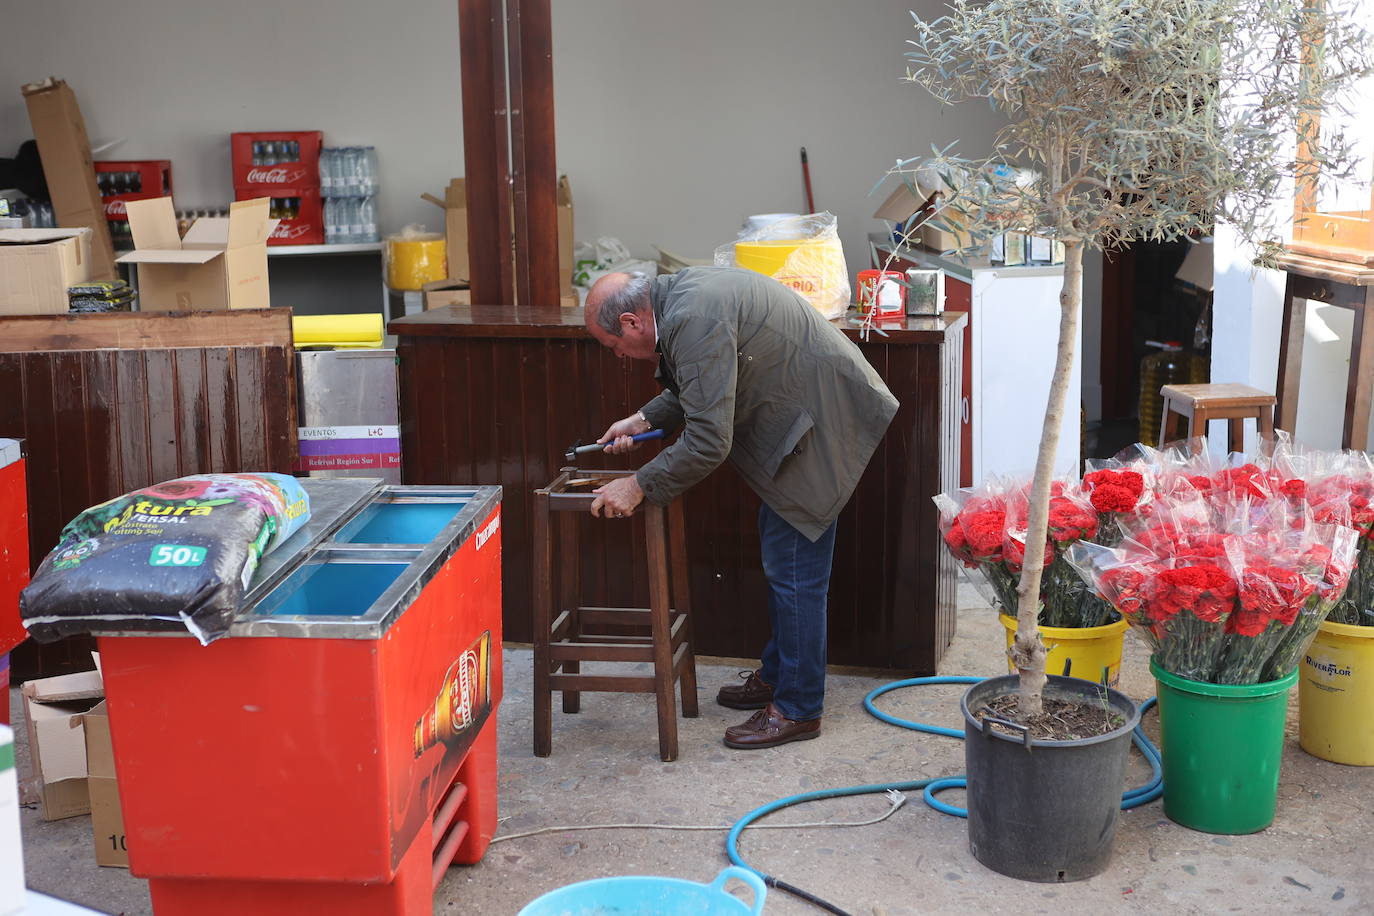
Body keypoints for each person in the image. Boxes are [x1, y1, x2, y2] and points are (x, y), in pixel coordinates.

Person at [582, 266, 899, 749]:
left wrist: (639, 484)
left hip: (821, 417)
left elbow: (709, 440)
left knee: (795, 571)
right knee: (784, 559)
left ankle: (798, 707)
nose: (619, 356)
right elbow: (704, 375)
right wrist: (644, 418)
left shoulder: (690, 314)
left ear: (630, 322)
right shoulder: (680, 301)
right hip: (804, 408)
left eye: (613, 345)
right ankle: (779, 676)